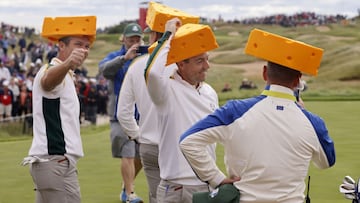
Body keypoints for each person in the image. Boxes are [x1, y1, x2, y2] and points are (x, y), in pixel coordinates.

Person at [179, 29, 336, 202]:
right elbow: (326, 162)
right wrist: (304, 113)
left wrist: (217, 179)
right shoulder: (314, 123)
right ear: (298, 80)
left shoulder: (234, 111)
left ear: (264, 73)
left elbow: (188, 141)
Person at [21, 15, 97, 203]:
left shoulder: (66, 74)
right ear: (61, 46)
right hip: (54, 159)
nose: (83, 50)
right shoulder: (52, 70)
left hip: (56, 161)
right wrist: (69, 63)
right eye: (78, 44)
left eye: (86, 46)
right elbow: (47, 83)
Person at [144, 18, 219, 203]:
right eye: (199, 61)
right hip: (175, 187)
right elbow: (153, 72)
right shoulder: (165, 90)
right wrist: (168, 36)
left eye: (207, 59)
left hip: (206, 184)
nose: (206, 66)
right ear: (180, 64)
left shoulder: (209, 92)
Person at [117, 25, 176, 203]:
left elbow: (123, 113)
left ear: (153, 36)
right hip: (176, 144)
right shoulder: (180, 63)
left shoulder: (137, 66)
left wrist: (138, 135)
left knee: (157, 197)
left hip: (149, 144)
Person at [98, 22, 144, 203]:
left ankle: (126, 188)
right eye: (131, 38)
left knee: (141, 156)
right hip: (120, 115)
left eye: (137, 38)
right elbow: (105, 71)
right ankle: (130, 194)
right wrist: (124, 58)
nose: (134, 41)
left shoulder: (144, 57)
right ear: (123, 39)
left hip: (141, 115)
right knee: (128, 153)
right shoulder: (115, 56)